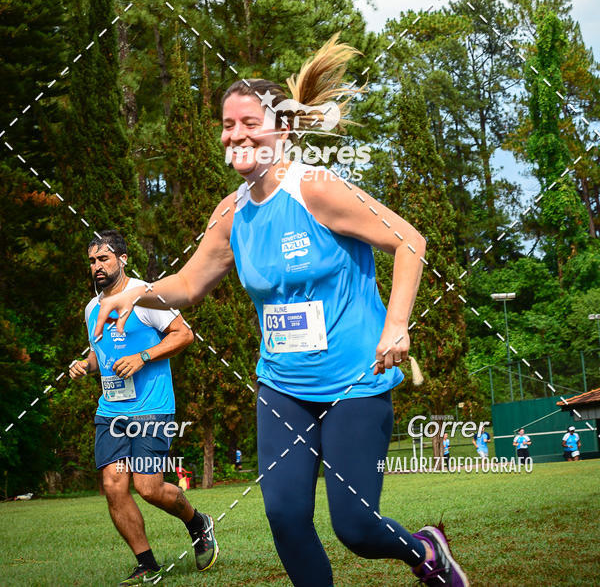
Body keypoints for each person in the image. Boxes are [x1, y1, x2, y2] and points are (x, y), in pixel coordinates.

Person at [94, 37, 469, 587]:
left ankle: (425, 552)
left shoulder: (316, 189)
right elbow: (190, 284)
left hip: (353, 384)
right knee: (286, 517)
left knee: (357, 528)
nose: (235, 134)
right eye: (227, 125)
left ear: (282, 130)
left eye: (249, 122)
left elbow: (409, 241)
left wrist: (396, 324)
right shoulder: (232, 213)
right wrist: (134, 294)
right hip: (281, 388)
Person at [70, 230, 218, 585]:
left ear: (122, 259)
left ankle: (198, 522)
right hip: (111, 410)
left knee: (149, 487)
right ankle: (146, 563)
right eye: (92, 261)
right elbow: (99, 355)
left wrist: (143, 357)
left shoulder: (147, 297)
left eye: (103, 259)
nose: (97, 267)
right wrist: (84, 365)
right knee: (113, 485)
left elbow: (183, 334)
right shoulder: (93, 308)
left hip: (152, 406)